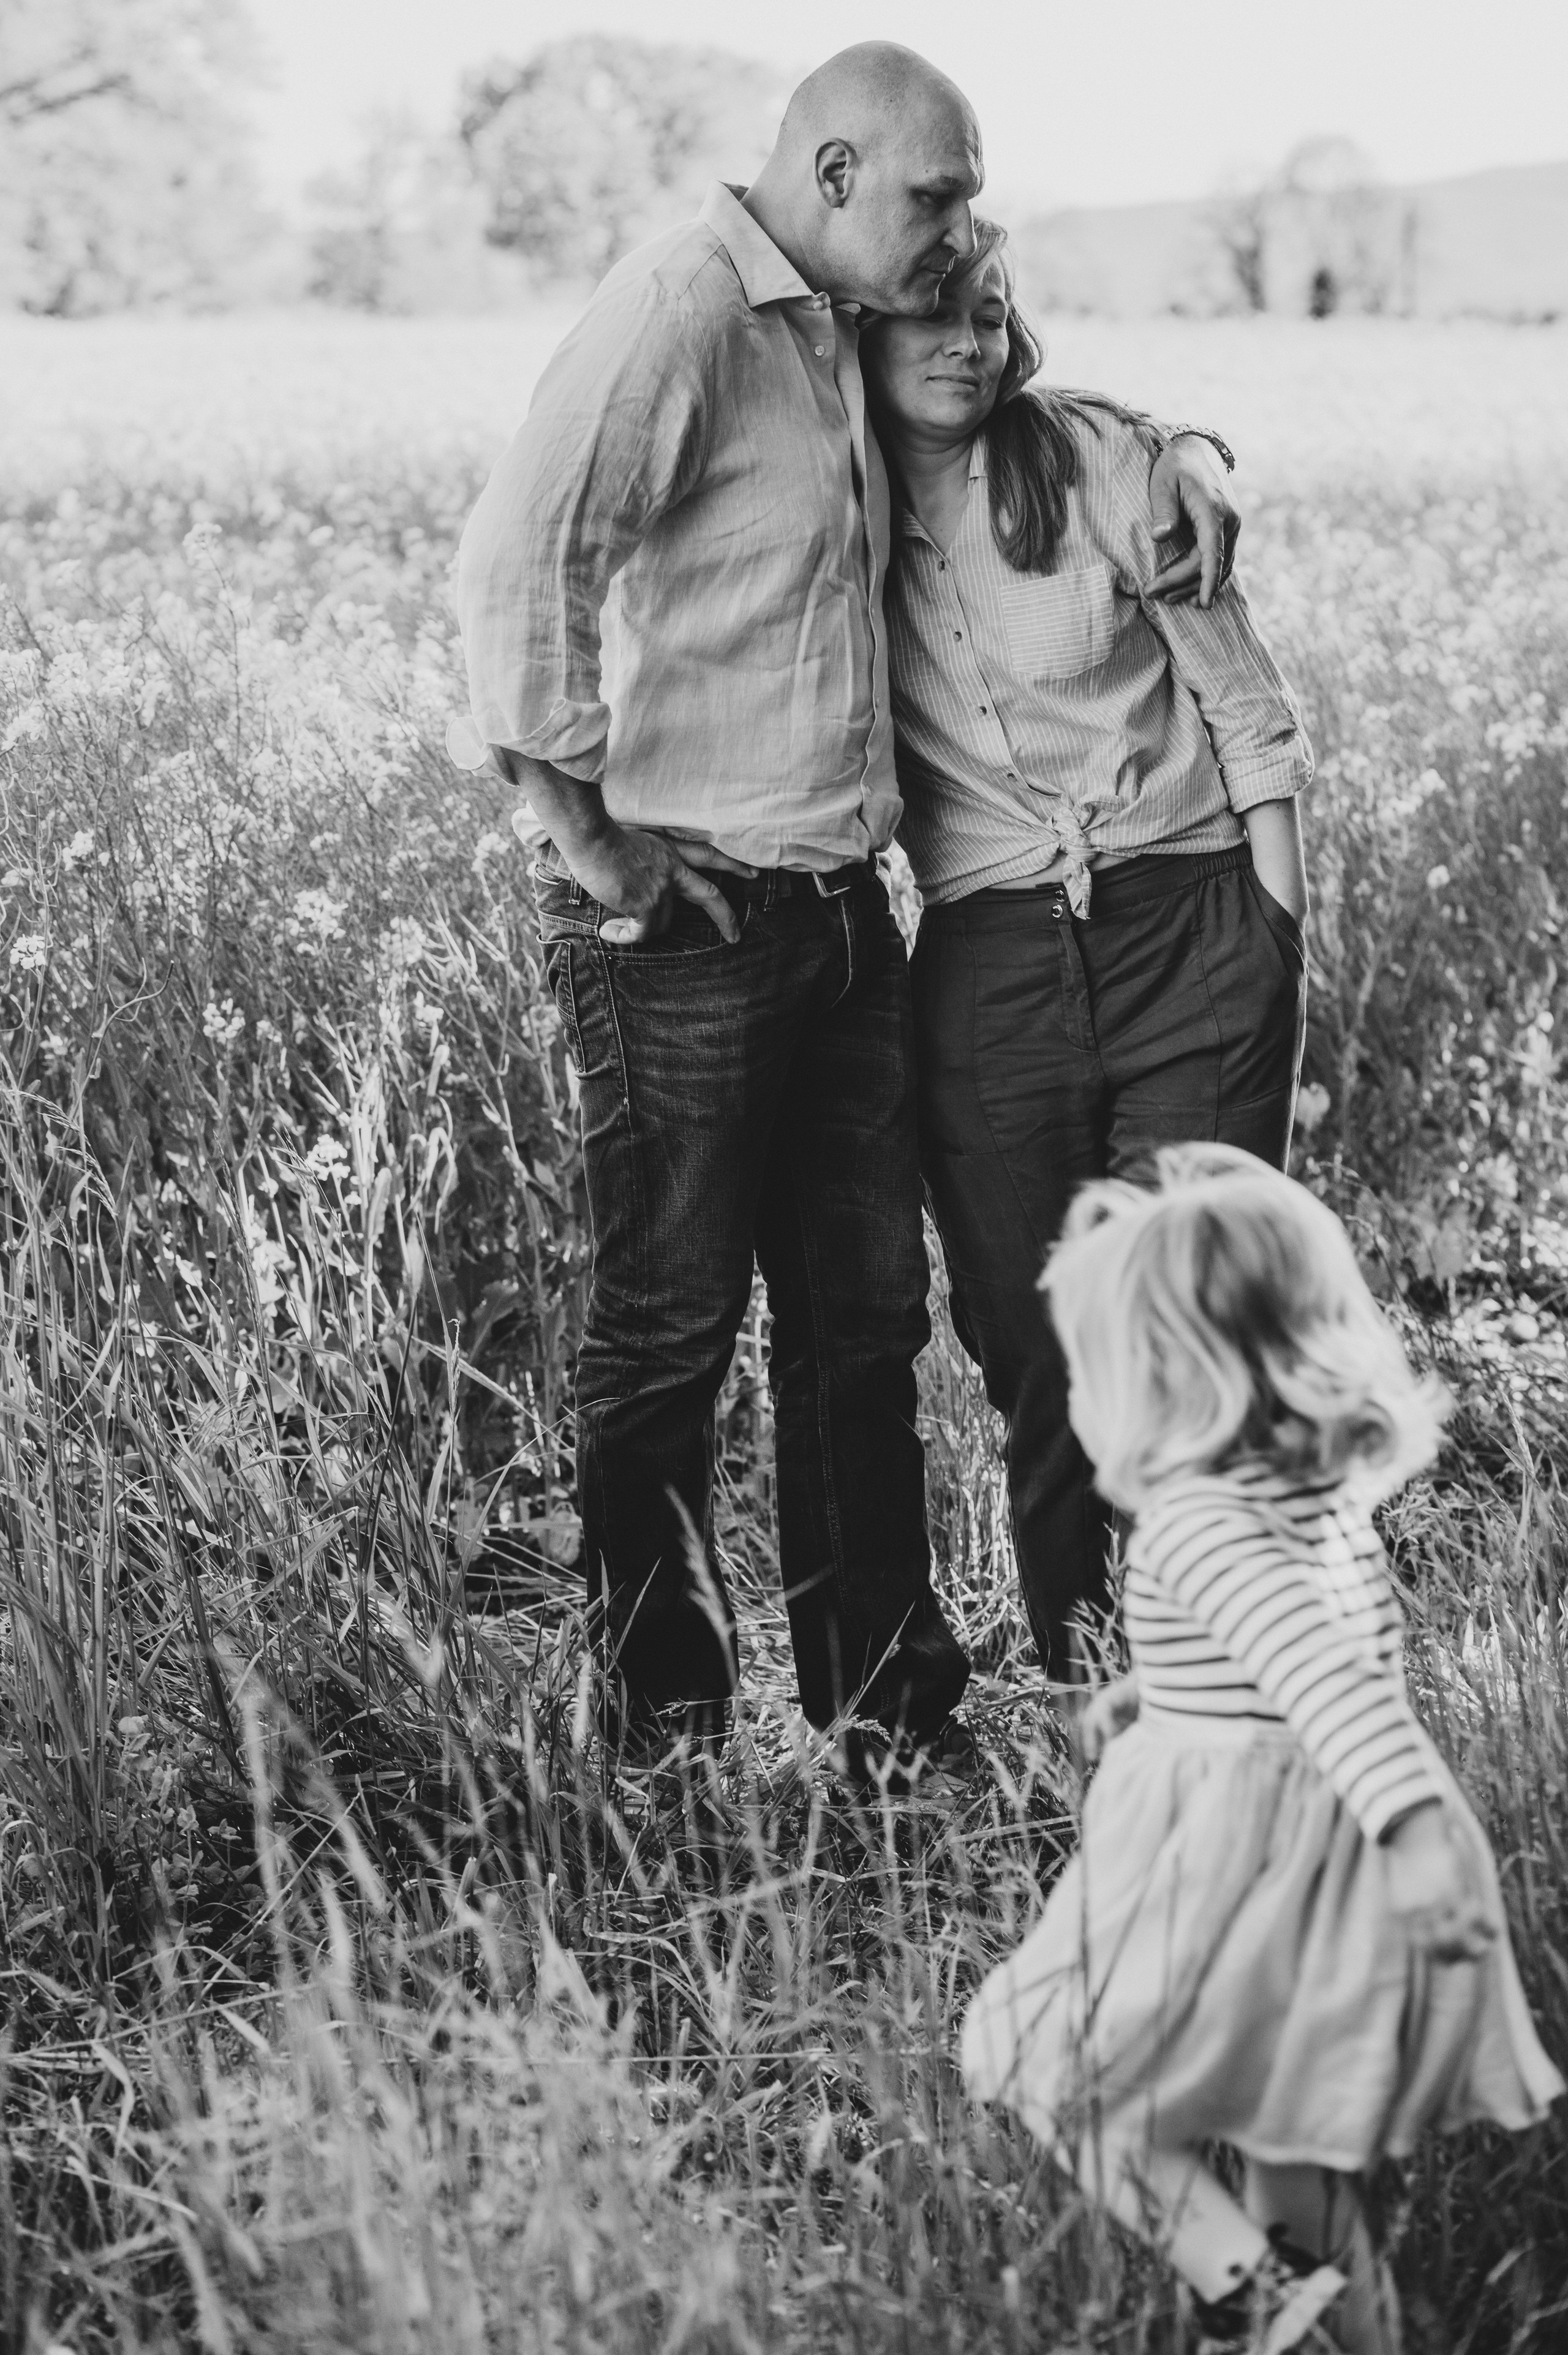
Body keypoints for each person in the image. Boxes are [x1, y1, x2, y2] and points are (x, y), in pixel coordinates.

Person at [452, 42, 1238, 1773]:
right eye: (937, 193)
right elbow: (521, 559)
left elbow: (1037, 430)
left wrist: (1182, 447)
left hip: (840, 916)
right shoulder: (681, 311)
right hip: (683, 927)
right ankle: (662, 1730)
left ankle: (886, 1709)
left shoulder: (841, 340)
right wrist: (596, 842)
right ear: (828, 173)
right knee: (667, 1335)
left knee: (859, 1320)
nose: (961, 227)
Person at [960, 1147, 1562, 2352]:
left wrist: (1422, 1834)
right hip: (1331, 1875)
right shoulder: (1310, 1500)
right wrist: (1162, 1693)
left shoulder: (1191, 1522)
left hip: (1248, 1872)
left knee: (1040, 2062)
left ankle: (1250, 2294)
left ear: (1159, 1375)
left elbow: (1331, 1689)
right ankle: (1349, 2328)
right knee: (1299, 2169)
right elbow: (1284, 1654)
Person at [859, 218, 1310, 1689]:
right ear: (860, 335)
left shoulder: (1096, 467)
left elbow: (1244, 706)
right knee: (1038, 1354)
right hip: (988, 965)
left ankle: (1232, 1674)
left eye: (986, 316)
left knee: (1198, 1325)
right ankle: (1084, 1683)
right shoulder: (827, 505)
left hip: (1189, 928)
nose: (962, 345)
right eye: (928, 316)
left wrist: (1273, 929)